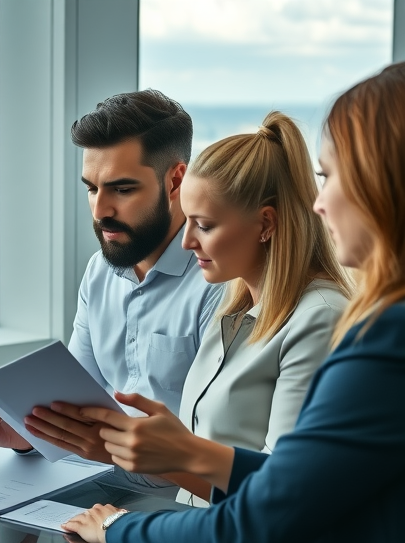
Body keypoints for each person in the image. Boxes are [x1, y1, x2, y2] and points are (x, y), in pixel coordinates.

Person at [63, 62, 405, 543]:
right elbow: (291, 485)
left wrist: (118, 528)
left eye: (331, 177)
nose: (317, 204)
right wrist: (187, 454)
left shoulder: (380, 335)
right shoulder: (238, 305)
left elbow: (255, 524)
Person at [25, 111, 351, 506]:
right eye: (190, 222)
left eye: (205, 226)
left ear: (266, 224)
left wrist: (139, 459)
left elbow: (284, 494)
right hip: (200, 531)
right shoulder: (237, 307)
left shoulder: (319, 317)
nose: (186, 242)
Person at [0, 90, 223, 468]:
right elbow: (73, 407)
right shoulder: (99, 271)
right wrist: (26, 436)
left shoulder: (218, 283)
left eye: (121, 189)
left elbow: (223, 458)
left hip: (178, 505)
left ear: (174, 180)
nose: (101, 211)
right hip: (92, 486)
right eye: (91, 188)